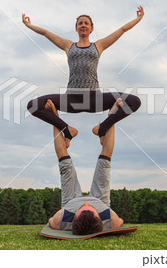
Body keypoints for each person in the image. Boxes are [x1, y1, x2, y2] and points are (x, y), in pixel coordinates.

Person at [23, 7, 144, 147]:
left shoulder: (98, 45)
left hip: (94, 98)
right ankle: (67, 130)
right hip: (72, 98)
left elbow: (122, 30)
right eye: (80, 23)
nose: (83, 25)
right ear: (76, 28)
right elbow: (45, 33)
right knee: (32, 106)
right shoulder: (68, 45)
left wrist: (138, 19)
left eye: (86, 23)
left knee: (134, 101)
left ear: (92, 28)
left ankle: (102, 128)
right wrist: (29, 25)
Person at [45, 98, 124, 235]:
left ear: (73, 218)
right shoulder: (110, 220)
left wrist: (67, 218)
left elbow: (50, 221)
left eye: (83, 208)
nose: (87, 204)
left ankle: (54, 116)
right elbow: (121, 222)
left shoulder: (61, 220)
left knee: (64, 164)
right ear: (99, 217)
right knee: (105, 161)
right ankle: (111, 115)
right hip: (100, 202)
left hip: (71, 202)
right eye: (90, 209)